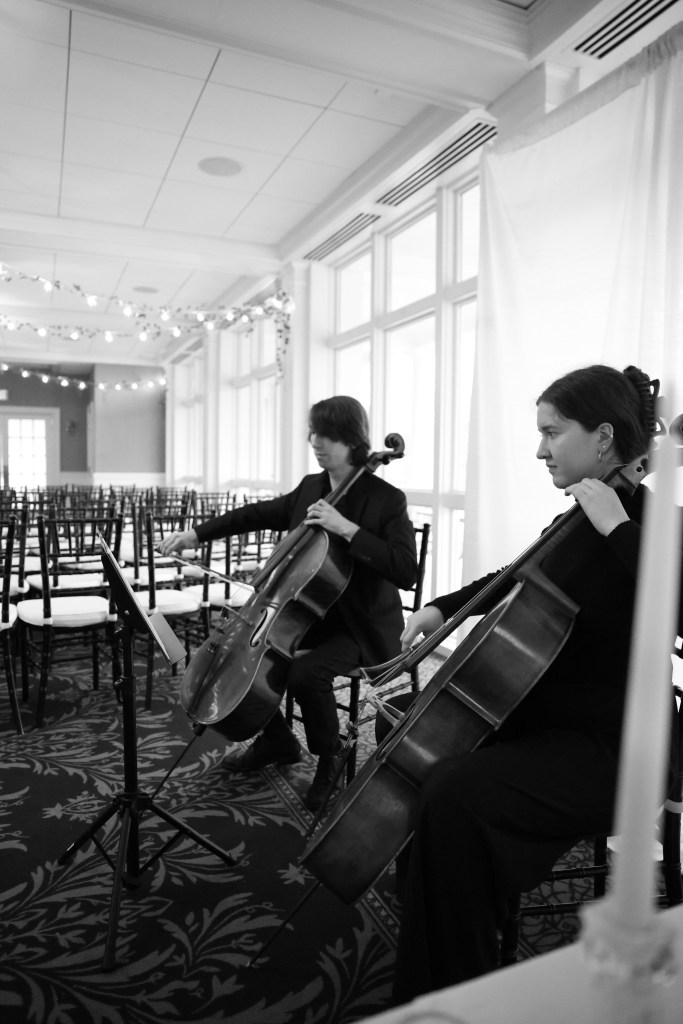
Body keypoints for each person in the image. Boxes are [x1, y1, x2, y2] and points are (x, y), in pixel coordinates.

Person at [383, 364, 683, 1004]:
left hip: (616, 748)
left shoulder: (655, 524)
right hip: (545, 719)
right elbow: (517, 576)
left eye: (552, 432)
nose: (540, 449)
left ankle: (451, 985)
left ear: (603, 437)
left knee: (458, 794)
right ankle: (445, 912)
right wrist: (442, 606)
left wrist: (619, 529)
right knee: (423, 739)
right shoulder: (572, 521)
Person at [159, 396, 418, 813]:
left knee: (304, 674)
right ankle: (277, 740)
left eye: (327, 435)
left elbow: (406, 571)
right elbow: (254, 514)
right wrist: (195, 534)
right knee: (249, 661)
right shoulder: (311, 488)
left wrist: (347, 529)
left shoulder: (385, 499)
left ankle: (331, 757)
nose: (316, 442)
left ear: (353, 440)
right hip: (306, 615)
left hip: (360, 624)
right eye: (313, 433)